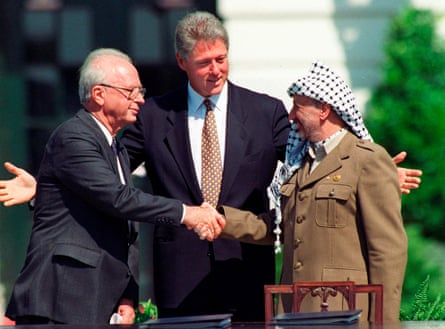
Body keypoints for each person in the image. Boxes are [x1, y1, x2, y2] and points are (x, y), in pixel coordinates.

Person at [0, 11, 421, 321]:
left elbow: (309, 163)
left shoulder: (265, 111)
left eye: (221, 59)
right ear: (182, 63)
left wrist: (374, 175)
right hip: (180, 280)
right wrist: (45, 186)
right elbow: (106, 178)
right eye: (204, 63)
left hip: (248, 272)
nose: (215, 70)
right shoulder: (152, 114)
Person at [3, 48, 224, 325]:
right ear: (99, 94)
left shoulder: (115, 146)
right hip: (61, 299)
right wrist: (187, 213)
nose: (140, 100)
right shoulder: (74, 137)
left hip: (95, 301)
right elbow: (119, 199)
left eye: (140, 91)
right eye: (131, 92)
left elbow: (119, 222)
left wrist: (127, 296)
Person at [213, 61, 408, 322]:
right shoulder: (300, 162)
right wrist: (221, 220)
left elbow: (387, 251)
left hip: (343, 314)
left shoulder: (367, 160)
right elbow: (280, 226)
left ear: (324, 110)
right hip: (295, 312)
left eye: (298, 107)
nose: (291, 116)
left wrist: (383, 323)